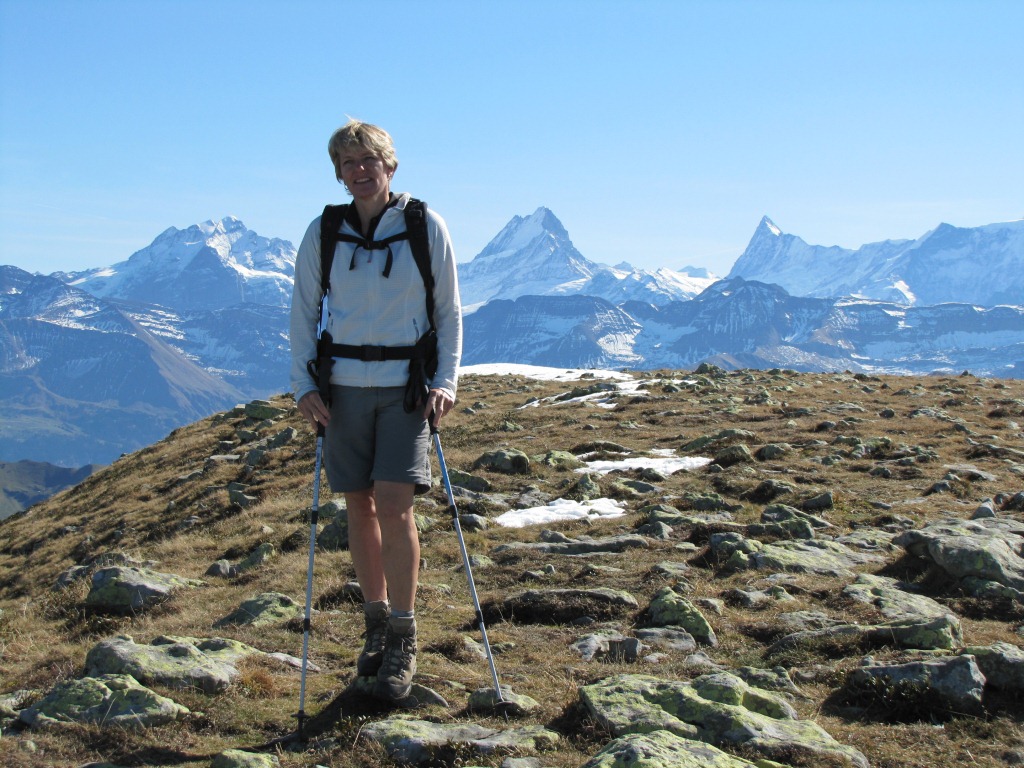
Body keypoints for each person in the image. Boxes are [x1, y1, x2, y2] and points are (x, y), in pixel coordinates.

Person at [289, 119, 462, 701]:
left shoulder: (424, 226)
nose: (359, 171)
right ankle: (376, 625)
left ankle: (403, 637)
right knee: (357, 507)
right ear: (338, 173)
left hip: (405, 388)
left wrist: (446, 382)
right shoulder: (325, 231)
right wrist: (303, 385)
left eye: (368, 160)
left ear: (390, 165)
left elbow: (449, 310)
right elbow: (303, 310)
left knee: (394, 505)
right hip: (341, 388)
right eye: (348, 163)